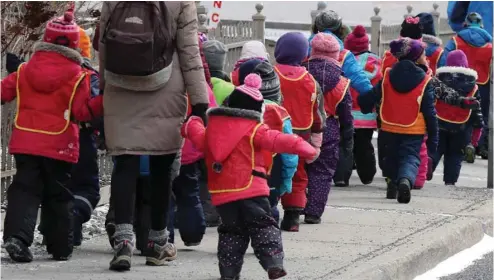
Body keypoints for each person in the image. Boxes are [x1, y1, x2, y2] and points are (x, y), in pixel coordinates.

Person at [98, 2, 209, 271]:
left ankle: (123, 242)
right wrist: (199, 101)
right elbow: (189, 51)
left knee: (124, 164)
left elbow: (103, 45)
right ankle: (157, 244)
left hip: (119, 84)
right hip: (166, 85)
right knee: (162, 167)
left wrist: (104, 87)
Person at [182, 73, 318, 280]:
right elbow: (281, 140)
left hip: (222, 193)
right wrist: (309, 150)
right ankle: (273, 263)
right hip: (251, 188)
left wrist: (191, 124)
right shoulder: (255, 130)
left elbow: (197, 136)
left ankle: (228, 273)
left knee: (231, 232)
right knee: (263, 225)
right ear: (256, 111)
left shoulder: (212, 131)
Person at [1, 10, 103, 262]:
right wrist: (103, 101)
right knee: (58, 194)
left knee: (24, 189)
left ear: (46, 40)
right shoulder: (80, 76)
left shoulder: (25, 70)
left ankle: (17, 238)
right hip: (60, 144)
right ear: (74, 45)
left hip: (26, 141)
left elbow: (3, 92)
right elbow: (82, 112)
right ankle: (59, 246)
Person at [358, 38, 438, 204]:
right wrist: (433, 138)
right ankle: (405, 181)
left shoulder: (388, 74)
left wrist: (363, 104)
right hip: (414, 129)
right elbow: (430, 112)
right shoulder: (425, 80)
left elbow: (374, 95)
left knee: (390, 157)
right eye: (423, 54)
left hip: (388, 126)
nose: (426, 57)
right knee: (410, 158)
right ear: (416, 58)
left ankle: (392, 185)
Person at [310, 11, 373, 187]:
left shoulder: (305, 49)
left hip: (307, 106)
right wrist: (371, 96)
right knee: (341, 140)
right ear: (340, 29)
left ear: (316, 27)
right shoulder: (344, 54)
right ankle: (339, 176)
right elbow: (359, 78)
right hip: (332, 108)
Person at [166, 34, 217, 246]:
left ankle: (164, 236)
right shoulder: (199, 84)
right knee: (189, 191)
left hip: (164, 145)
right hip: (189, 148)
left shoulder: (163, 78)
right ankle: (193, 233)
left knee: (163, 193)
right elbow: (210, 112)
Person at [274, 32, 326, 232]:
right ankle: (293, 216)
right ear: (304, 54)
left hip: (274, 132)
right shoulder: (310, 81)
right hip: (300, 135)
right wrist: (315, 141)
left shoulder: (271, 73)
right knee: (298, 174)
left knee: (270, 171)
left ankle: (269, 209)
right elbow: (318, 115)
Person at [236, 59, 298, 223]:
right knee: (269, 210)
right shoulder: (280, 114)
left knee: (240, 211)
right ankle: (268, 244)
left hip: (241, 167)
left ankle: (234, 244)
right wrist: (286, 179)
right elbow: (290, 152)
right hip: (272, 169)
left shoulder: (235, 109)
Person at [303, 33, 353, 223]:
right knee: (322, 171)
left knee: (299, 168)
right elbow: (346, 114)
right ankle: (313, 212)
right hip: (328, 127)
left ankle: (295, 206)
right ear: (336, 55)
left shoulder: (302, 73)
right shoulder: (342, 82)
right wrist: (347, 138)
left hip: (302, 124)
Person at [441, 12, 492, 160]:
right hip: (483, 83)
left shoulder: (456, 40)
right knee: (481, 115)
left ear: (466, 24)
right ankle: (479, 145)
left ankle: (462, 143)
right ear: (481, 25)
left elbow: (444, 60)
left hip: (457, 82)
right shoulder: (490, 45)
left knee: (462, 112)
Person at [431, 50, 484, 185]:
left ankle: (427, 170)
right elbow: (477, 114)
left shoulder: (439, 81)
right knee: (455, 156)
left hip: (439, 123)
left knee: (435, 150)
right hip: (462, 128)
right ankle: (450, 182)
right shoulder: (473, 86)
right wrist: (475, 139)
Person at [344, 25, 381, 185]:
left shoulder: (346, 62)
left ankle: (343, 174)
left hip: (347, 113)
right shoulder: (377, 63)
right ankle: (367, 175)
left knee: (346, 144)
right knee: (365, 145)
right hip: (367, 114)